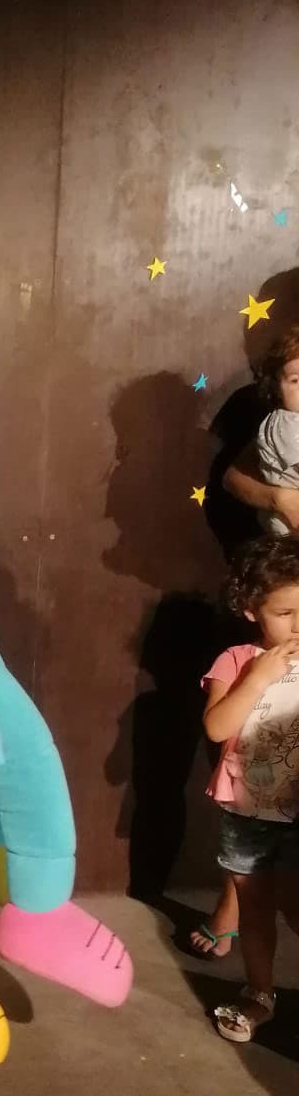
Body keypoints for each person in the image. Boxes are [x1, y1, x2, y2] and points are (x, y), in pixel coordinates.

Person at [186, 324, 299, 959]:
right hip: (285, 576)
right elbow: (234, 479)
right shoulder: (282, 427)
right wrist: (280, 496)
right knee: (265, 748)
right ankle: (238, 906)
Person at [199, 534, 299, 1042]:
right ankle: (260, 993)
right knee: (255, 911)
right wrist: (257, 679)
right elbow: (217, 728)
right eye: (285, 612)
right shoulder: (236, 661)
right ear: (250, 609)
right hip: (248, 811)